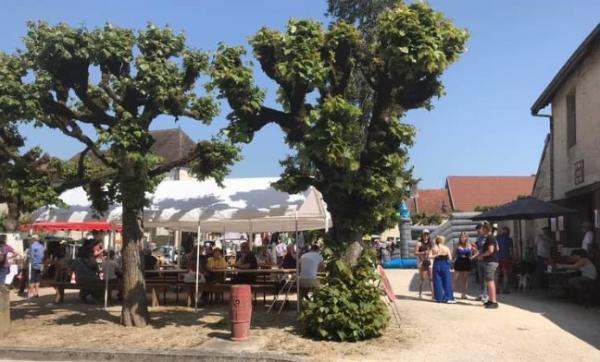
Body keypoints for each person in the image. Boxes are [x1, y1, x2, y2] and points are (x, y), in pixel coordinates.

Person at [478, 222, 499, 309]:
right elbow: (497, 248)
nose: (481, 231)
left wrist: (482, 255)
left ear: (486, 229)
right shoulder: (492, 238)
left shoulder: (490, 238)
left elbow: (491, 250)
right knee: (489, 280)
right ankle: (490, 300)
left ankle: (493, 301)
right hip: (491, 261)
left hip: (490, 262)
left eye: (482, 229)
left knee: (490, 281)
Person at [453, 232, 478, 299]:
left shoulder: (470, 245)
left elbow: (477, 251)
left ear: (467, 237)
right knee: (455, 278)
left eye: (464, 237)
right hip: (459, 261)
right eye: (461, 237)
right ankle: (452, 292)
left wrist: (472, 257)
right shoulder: (457, 245)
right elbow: (453, 254)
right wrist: (453, 260)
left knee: (465, 279)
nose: (462, 238)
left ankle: (463, 294)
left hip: (467, 262)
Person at [431, 236, 455, 303]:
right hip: (445, 264)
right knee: (447, 280)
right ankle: (448, 297)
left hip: (437, 264)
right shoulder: (446, 248)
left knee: (437, 280)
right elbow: (450, 258)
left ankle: (439, 297)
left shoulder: (434, 247)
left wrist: (436, 255)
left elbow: (429, 256)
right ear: (443, 241)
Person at [414, 229, 434, 299]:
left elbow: (432, 251)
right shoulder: (419, 243)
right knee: (422, 278)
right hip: (421, 261)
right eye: (424, 234)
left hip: (429, 261)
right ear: (422, 235)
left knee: (431, 278)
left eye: (427, 234)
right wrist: (423, 253)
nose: (426, 236)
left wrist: (431, 255)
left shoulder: (431, 243)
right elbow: (415, 252)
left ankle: (433, 294)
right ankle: (420, 293)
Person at [496, 226, 514, 294]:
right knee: (505, 273)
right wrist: (513, 256)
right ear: (508, 232)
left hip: (497, 257)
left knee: (497, 273)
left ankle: (496, 289)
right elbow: (510, 249)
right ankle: (505, 288)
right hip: (505, 257)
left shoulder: (497, 238)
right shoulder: (509, 239)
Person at [474, 223, 488, 302]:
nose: (478, 232)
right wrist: (474, 247)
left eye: (478, 231)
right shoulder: (479, 238)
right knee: (481, 278)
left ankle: (485, 295)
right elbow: (478, 248)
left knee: (486, 278)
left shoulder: (487, 238)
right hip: (479, 259)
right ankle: (482, 293)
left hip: (486, 260)